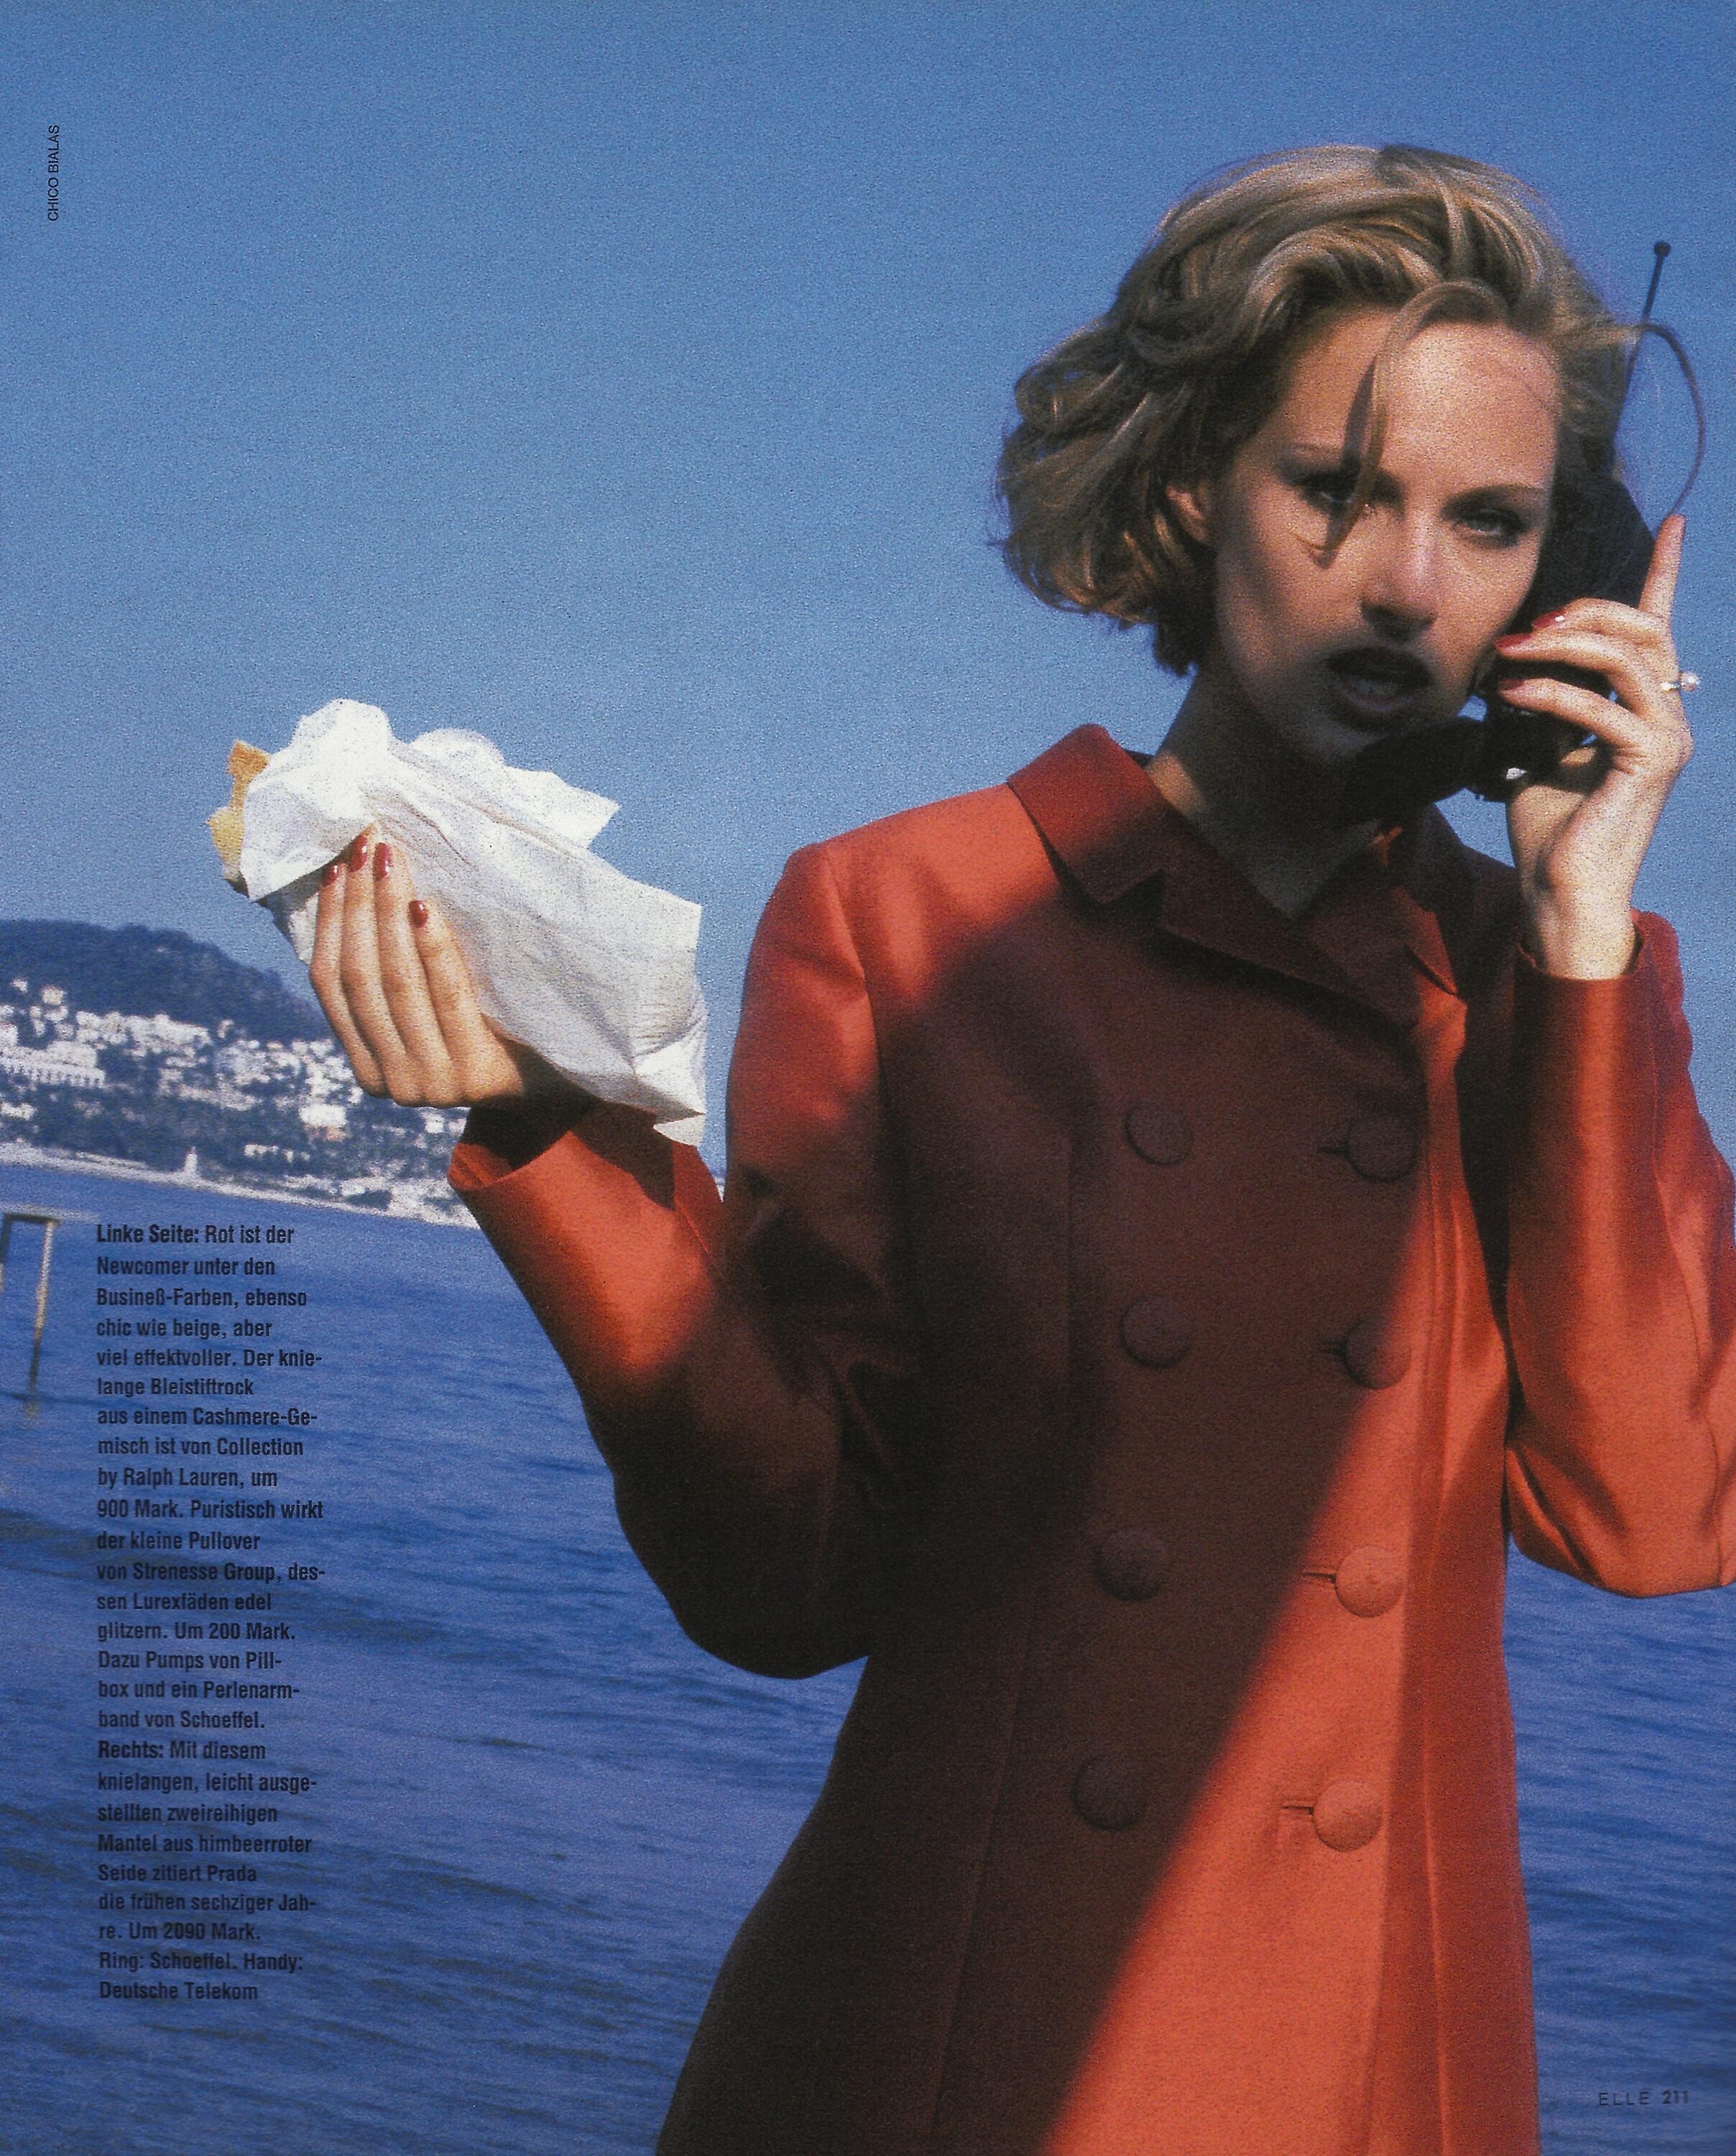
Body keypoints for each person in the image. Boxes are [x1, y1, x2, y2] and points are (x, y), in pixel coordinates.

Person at [308, 144, 1735, 2156]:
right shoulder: (908, 916)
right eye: (1336, 491)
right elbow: (791, 1576)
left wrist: (1585, 932)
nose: (1409, 585)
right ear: (1192, 492)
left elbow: (1654, 1516)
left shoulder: (1541, 989)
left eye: (1488, 523)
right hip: (954, 2044)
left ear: (1556, 590)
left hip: (1367, 2072)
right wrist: (546, 1137)